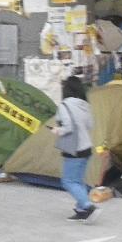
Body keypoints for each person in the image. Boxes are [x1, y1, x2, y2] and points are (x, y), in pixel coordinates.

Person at [53, 77, 100, 223]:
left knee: (68, 181)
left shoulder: (64, 105)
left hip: (74, 149)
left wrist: (57, 130)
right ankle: (81, 211)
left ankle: (87, 206)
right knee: (78, 181)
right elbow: (90, 125)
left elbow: (68, 127)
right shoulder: (85, 104)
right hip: (86, 147)